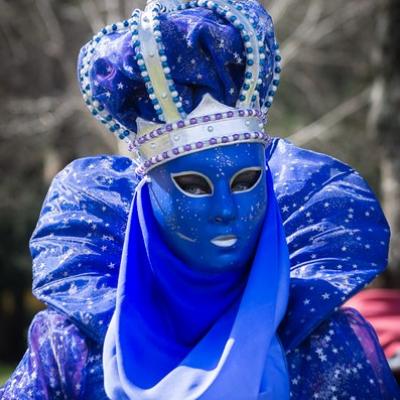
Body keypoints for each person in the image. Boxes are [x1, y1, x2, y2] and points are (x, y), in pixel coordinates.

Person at [1, 0, 399, 398]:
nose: (226, 211)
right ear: (146, 199)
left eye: (246, 181)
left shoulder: (320, 344)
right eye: (193, 186)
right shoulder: (70, 349)